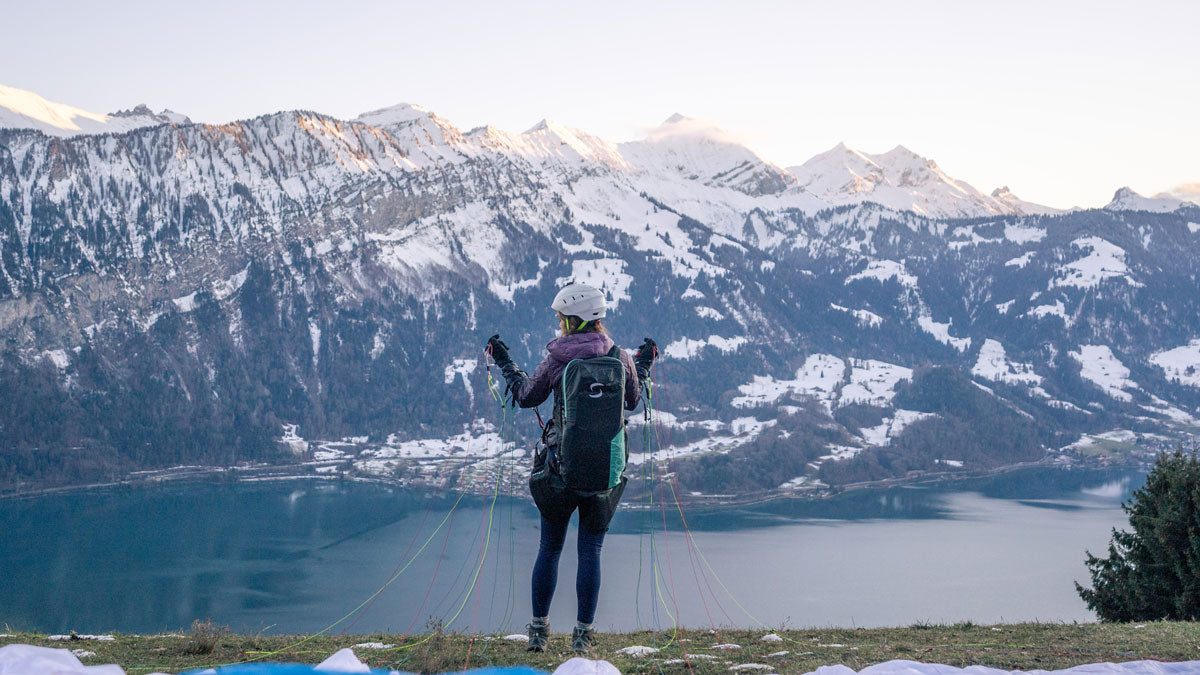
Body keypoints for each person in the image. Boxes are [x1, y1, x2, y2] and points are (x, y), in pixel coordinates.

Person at [488, 282, 657, 654]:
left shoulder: (558, 360)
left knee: (549, 547)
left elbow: (527, 395)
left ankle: (538, 633)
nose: (559, 324)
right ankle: (582, 636)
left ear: (572, 321)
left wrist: (505, 362)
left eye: (561, 318)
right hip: (603, 478)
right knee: (590, 551)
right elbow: (632, 399)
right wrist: (643, 363)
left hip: (561, 474)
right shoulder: (620, 356)